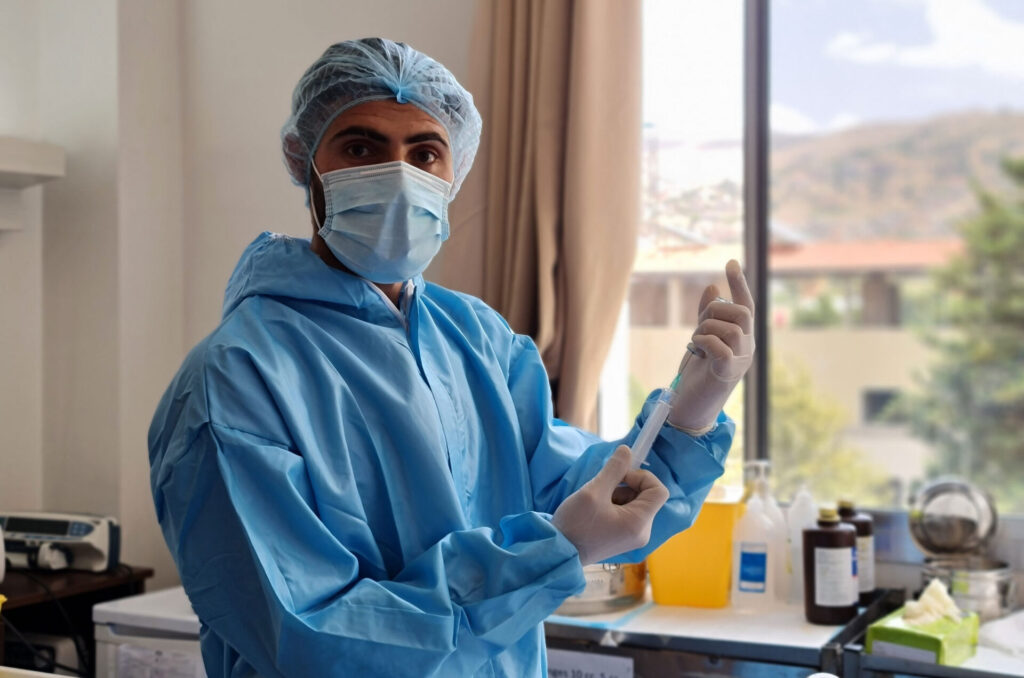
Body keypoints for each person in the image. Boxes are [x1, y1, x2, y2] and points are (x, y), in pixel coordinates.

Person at [149, 37, 755, 678]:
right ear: (308, 165)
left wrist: (689, 414)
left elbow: (590, 500)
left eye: (425, 152)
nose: (399, 174)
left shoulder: (478, 338)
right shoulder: (236, 379)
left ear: (452, 175)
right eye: (361, 147)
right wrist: (552, 552)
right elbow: (318, 639)